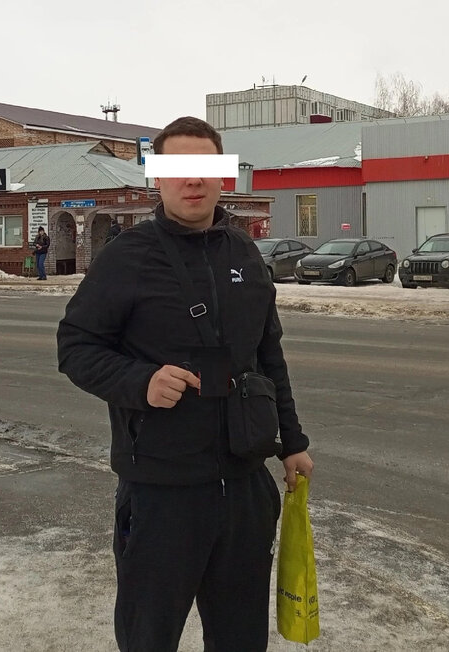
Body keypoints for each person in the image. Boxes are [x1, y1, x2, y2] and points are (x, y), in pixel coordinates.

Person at [57, 115, 313, 652]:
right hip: (161, 490)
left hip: (245, 483)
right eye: (178, 169)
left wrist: (292, 443)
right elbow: (76, 347)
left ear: (224, 176)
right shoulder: (127, 257)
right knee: (149, 635)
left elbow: (269, 353)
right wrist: (139, 380)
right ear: (157, 178)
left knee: (241, 636)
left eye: (205, 168)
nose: (193, 181)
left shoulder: (244, 253)